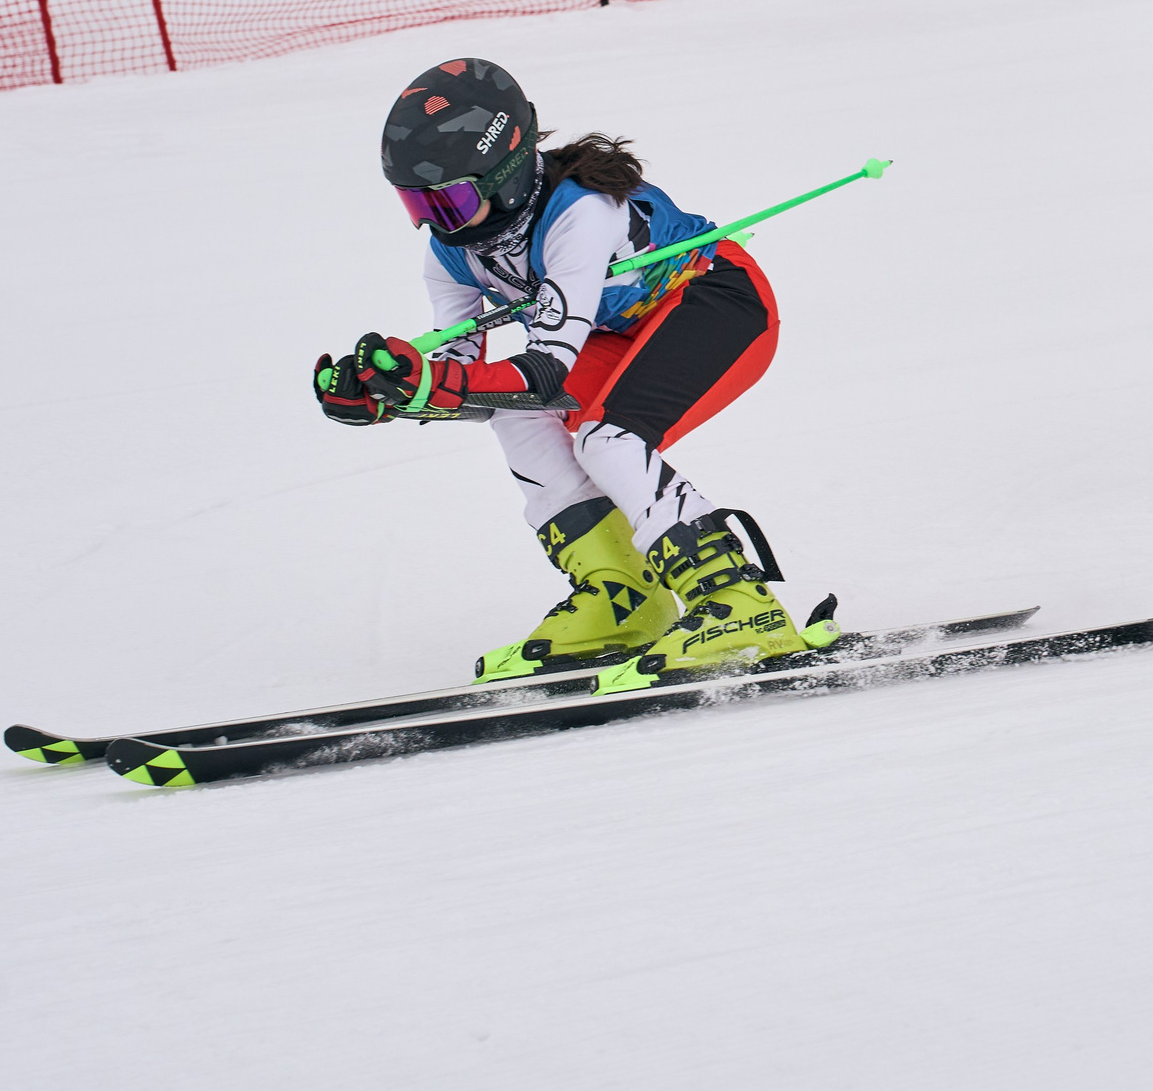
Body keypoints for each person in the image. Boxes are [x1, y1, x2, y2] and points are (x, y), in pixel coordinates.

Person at [313, 57, 829, 694]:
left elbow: (545, 366)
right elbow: (464, 378)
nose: (434, 221)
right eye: (416, 203)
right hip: (615, 331)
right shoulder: (450, 252)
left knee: (606, 436)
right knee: (514, 410)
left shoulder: (580, 213)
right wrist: (393, 394)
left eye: (451, 200)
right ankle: (624, 598)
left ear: (504, 177)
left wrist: (432, 386)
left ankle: (739, 604)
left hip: (715, 300)